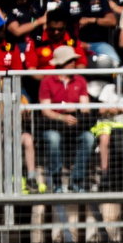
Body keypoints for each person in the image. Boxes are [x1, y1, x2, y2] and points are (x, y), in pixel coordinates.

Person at [37, 44, 94, 192]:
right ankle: (57, 182)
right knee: (53, 138)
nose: (74, 64)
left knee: (88, 138)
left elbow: (85, 108)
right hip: (54, 125)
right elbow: (46, 111)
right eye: (70, 61)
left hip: (76, 125)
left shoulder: (80, 81)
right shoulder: (47, 81)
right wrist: (62, 117)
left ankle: (76, 181)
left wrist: (72, 111)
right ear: (61, 64)